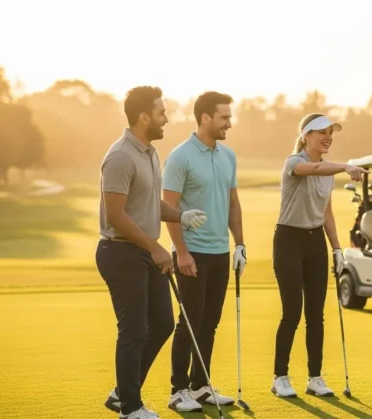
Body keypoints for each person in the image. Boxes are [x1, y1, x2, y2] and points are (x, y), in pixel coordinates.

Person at [97, 86, 207, 419]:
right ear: (144, 117)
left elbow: (147, 202)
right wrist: (156, 247)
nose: (166, 118)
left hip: (143, 252)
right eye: (161, 112)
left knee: (160, 324)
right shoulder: (119, 156)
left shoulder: (148, 152)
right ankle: (130, 408)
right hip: (121, 253)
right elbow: (116, 215)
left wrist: (180, 215)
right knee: (133, 330)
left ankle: (122, 392)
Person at [270, 113, 368, 398]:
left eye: (330, 132)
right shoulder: (294, 163)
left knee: (316, 314)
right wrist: (345, 166)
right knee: (292, 312)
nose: (328, 137)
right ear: (306, 136)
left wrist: (337, 248)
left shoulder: (327, 170)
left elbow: (326, 211)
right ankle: (280, 377)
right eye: (321, 132)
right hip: (288, 239)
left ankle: (315, 377)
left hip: (315, 242)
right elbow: (310, 170)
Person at [161, 91, 243, 411]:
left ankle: (199, 385)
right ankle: (177, 389)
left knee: (209, 322)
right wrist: (181, 252)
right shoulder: (180, 157)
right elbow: (170, 207)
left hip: (220, 251)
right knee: (190, 321)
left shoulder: (228, 156)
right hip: (191, 251)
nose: (229, 123)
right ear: (205, 117)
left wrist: (241, 244)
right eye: (224, 117)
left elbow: (234, 203)